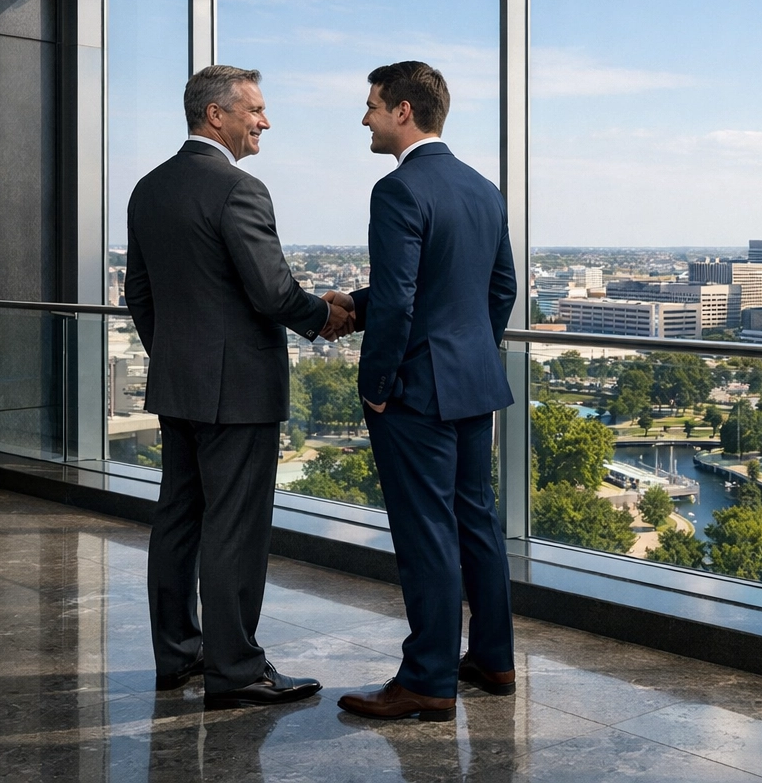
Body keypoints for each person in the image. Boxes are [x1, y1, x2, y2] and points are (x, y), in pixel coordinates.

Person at [126, 64, 350, 709]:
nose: (266, 120)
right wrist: (325, 317)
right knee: (235, 527)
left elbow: (139, 292)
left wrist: (177, 355)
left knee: (177, 520)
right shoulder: (239, 189)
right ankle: (236, 669)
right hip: (239, 391)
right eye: (255, 109)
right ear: (216, 115)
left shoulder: (148, 188)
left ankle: (178, 655)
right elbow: (272, 290)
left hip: (178, 383)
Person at [331, 61, 518, 722]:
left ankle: (429, 680)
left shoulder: (399, 190)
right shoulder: (484, 189)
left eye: (373, 105)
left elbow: (404, 298)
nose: (366, 117)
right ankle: (494, 661)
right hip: (472, 382)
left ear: (404, 111)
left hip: (416, 393)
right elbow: (500, 291)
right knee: (477, 525)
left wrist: (377, 384)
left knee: (426, 535)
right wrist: (464, 348)